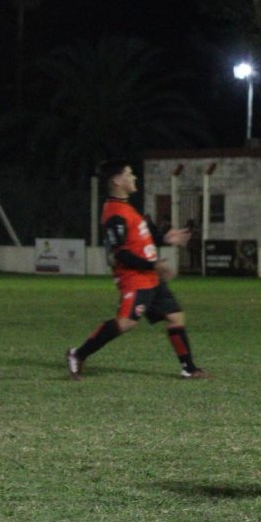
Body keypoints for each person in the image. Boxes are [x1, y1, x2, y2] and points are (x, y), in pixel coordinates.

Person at [66, 159, 208, 380]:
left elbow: (142, 238)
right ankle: (78, 354)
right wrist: (155, 264)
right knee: (125, 323)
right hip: (135, 279)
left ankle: (188, 368)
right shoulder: (114, 213)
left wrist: (165, 238)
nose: (134, 178)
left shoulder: (126, 208)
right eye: (129, 174)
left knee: (176, 317)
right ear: (117, 181)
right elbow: (120, 253)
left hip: (150, 277)